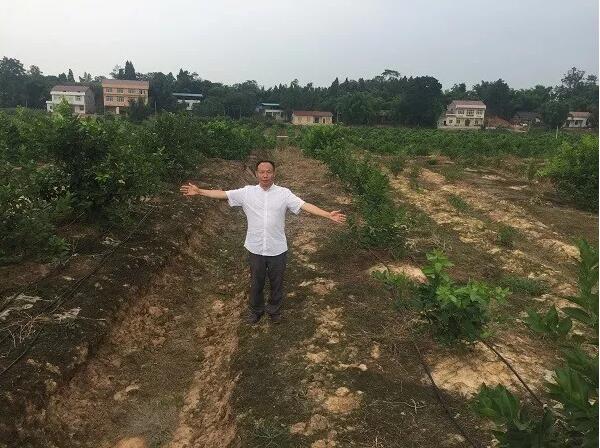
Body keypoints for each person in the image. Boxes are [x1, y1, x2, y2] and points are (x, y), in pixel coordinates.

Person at [180, 160, 346, 324]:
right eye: (262, 172)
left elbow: (304, 205)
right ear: (256, 174)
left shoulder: (284, 194)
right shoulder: (247, 192)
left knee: (277, 282)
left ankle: (274, 310)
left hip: (277, 248)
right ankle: (256, 311)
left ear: (274, 173)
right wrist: (199, 191)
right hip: (255, 247)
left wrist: (327, 214)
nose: (265, 175)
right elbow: (223, 194)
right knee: (256, 282)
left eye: (268, 172)